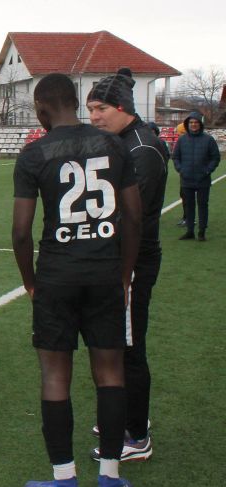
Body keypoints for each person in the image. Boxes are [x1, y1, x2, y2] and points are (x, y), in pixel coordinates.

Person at [12, 73, 142, 487]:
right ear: (76, 102)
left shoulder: (34, 153)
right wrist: (125, 275)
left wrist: (30, 282)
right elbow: (134, 217)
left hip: (56, 276)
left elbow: (20, 232)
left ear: (42, 109)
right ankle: (109, 481)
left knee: (55, 376)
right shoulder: (114, 145)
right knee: (111, 373)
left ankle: (65, 484)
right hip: (105, 274)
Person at [87, 68, 169, 462]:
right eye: (90, 109)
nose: (94, 117)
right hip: (116, 260)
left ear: (122, 108)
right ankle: (124, 415)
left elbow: (131, 218)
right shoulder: (121, 142)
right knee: (116, 344)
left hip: (131, 263)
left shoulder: (142, 150)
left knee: (129, 347)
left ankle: (137, 435)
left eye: (100, 108)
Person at [172, 111, 220, 241]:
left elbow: (215, 158)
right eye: (191, 122)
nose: (193, 125)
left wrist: (207, 170)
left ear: (200, 124)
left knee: (203, 205)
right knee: (189, 206)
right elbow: (175, 157)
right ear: (187, 124)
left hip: (203, 179)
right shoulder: (182, 140)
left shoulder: (208, 140)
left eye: (196, 122)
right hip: (186, 179)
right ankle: (190, 231)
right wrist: (181, 169)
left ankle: (201, 232)